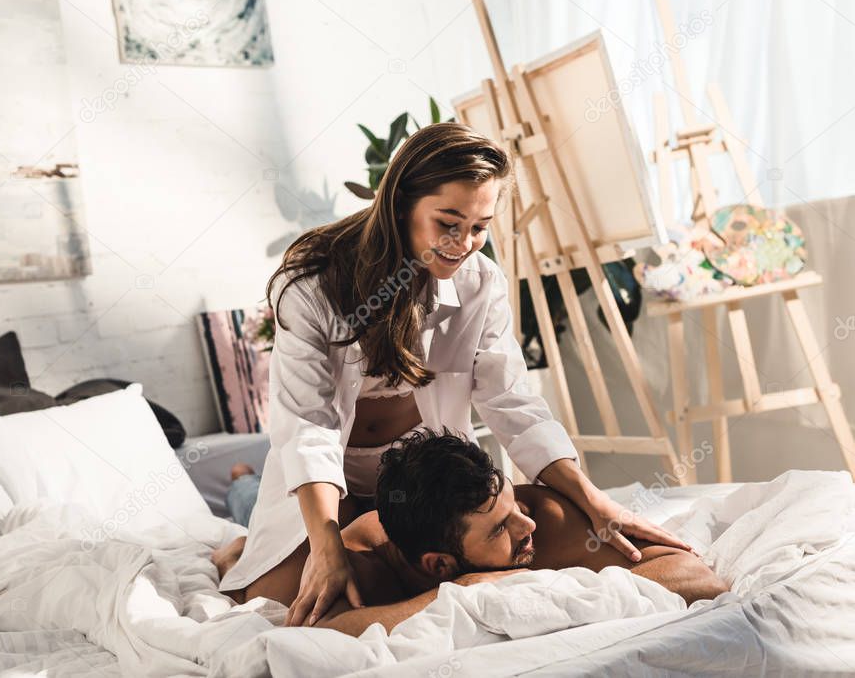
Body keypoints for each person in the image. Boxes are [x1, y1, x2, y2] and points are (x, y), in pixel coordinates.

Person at [217, 122, 691, 627]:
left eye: (480, 226)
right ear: (400, 203)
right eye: (448, 223)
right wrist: (326, 544)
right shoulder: (311, 287)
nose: (464, 243)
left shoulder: (480, 282)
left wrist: (595, 500)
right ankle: (240, 531)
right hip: (330, 484)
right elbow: (307, 427)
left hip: (425, 482)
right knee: (272, 602)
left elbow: (511, 400)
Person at [212, 429, 727, 637]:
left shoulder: (529, 515)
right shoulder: (357, 574)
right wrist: (464, 592)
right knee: (238, 544)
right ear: (439, 564)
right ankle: (242, 483)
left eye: (512, 504)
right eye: (501, 528)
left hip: (407, 517)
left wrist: (515, 578)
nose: (525, 526)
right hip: (280, 547)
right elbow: (318, 639)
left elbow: (698, 577)